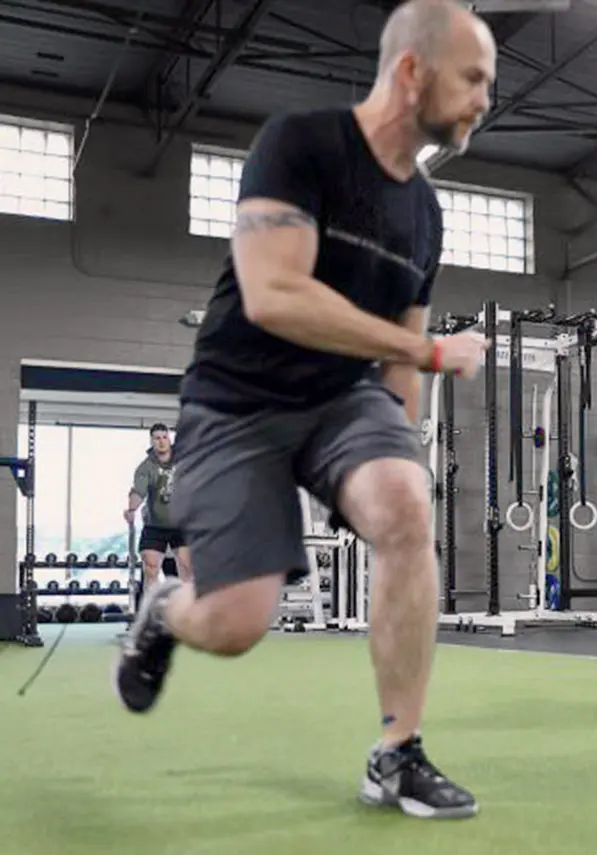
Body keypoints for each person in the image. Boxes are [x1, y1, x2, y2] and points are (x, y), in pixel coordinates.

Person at [113, 0, 495, 821]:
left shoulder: (425, 212)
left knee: (404, 503)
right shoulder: (302, 144)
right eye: (473, 77)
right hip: (236, 399)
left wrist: (402, 464)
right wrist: (429, 355)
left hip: (339, 398)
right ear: (411, 71)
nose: (485, 98)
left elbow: (402, 347)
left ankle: (397, 753)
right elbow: (274, 292)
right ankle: (163, 614)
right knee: (237, 620)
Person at [124, 423, 192, 584]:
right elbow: (139, 491)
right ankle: (152, 607)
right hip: (155, 525)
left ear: (169, 439)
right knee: (151, 567)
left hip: (182, 524)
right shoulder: (146, 467)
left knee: (187, 566)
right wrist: (132, 508)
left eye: (164, 437)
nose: (161, 441)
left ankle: (186, 606)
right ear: (151, 441)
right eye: (157, 438)